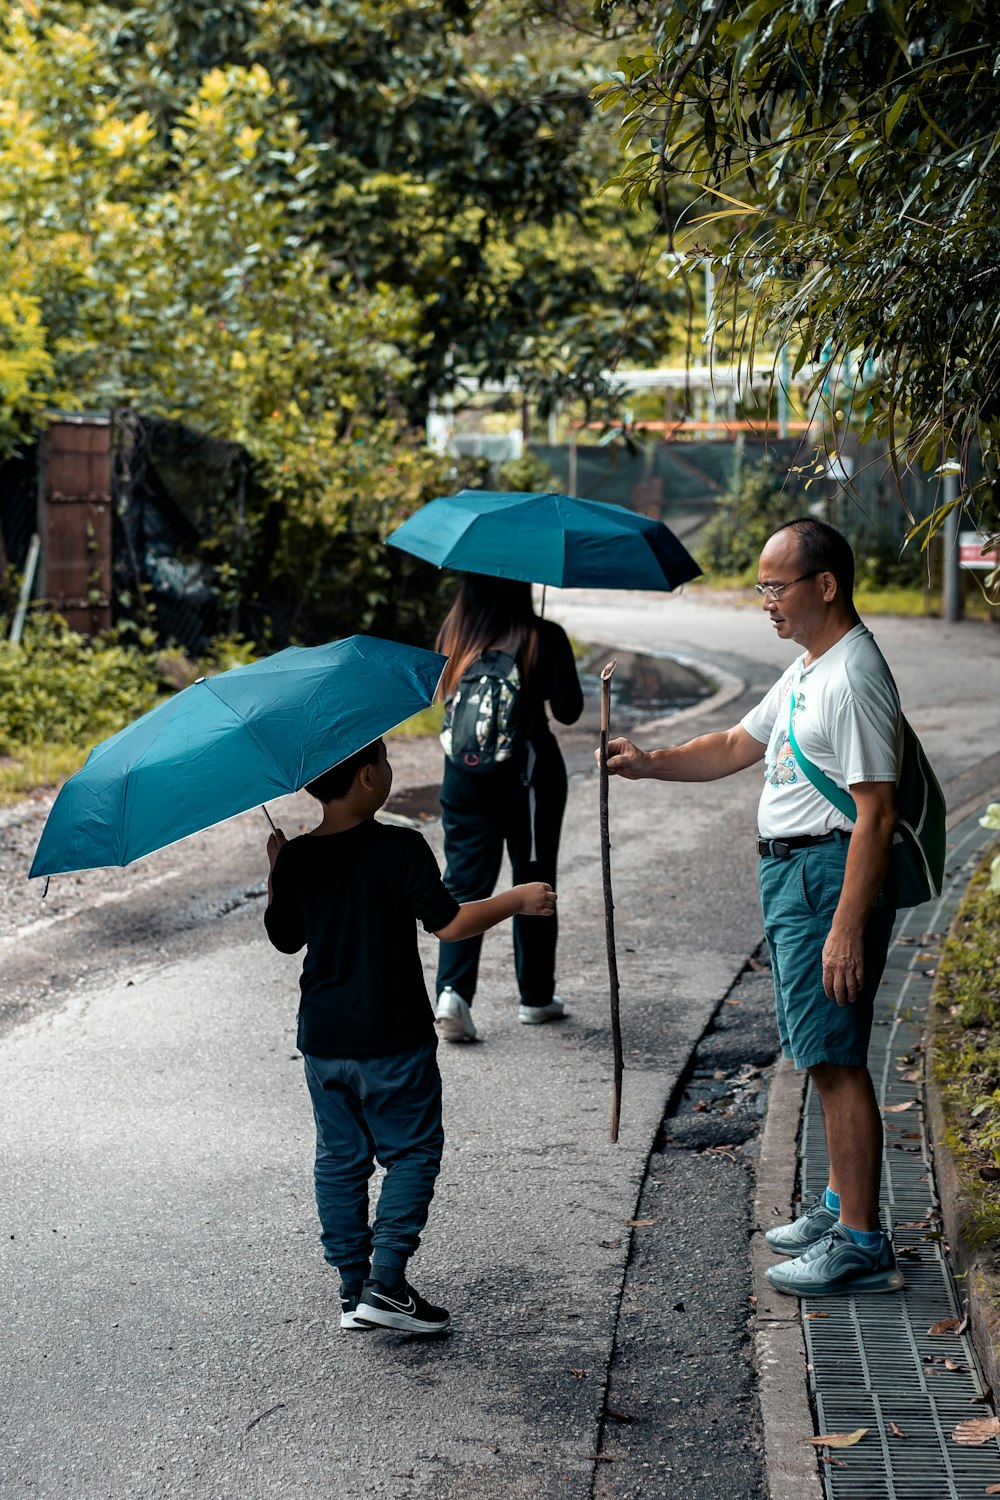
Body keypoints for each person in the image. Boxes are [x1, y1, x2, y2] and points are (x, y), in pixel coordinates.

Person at [602, 518, 905, 1298]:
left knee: (834, 1060)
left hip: (823, 879)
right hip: (794, 878)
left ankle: (863, 1243)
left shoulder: (853, 678)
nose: (765, 602)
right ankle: (842, 1207)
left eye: (776, 587)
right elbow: (740, 742)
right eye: (762, 587)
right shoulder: (811, 667)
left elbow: (875, 815)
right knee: (819, 1048)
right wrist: (650, 764)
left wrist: (844, 928)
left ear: (825, 586)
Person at [264, 737, 556, 1334]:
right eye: (387, 762)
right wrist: (516, 900)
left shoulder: (296, 857)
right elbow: (449, 925)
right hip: (392, 1035)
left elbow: (285, 938)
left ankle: (353, 1290)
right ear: (369, 778)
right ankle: (386, 1283)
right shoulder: (400, 847)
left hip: (323, 1040)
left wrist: (277, 872)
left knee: (341, 1161)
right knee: (413, 1153)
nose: (391, 771)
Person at [432, 573, 584, 1042]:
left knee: (463, 883)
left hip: (462, 778)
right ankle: (535, 998)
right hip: (529, 779)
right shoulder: (543, 636)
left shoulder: (453, 635)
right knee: (534, 879)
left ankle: (452, 995)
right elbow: (569, 711)